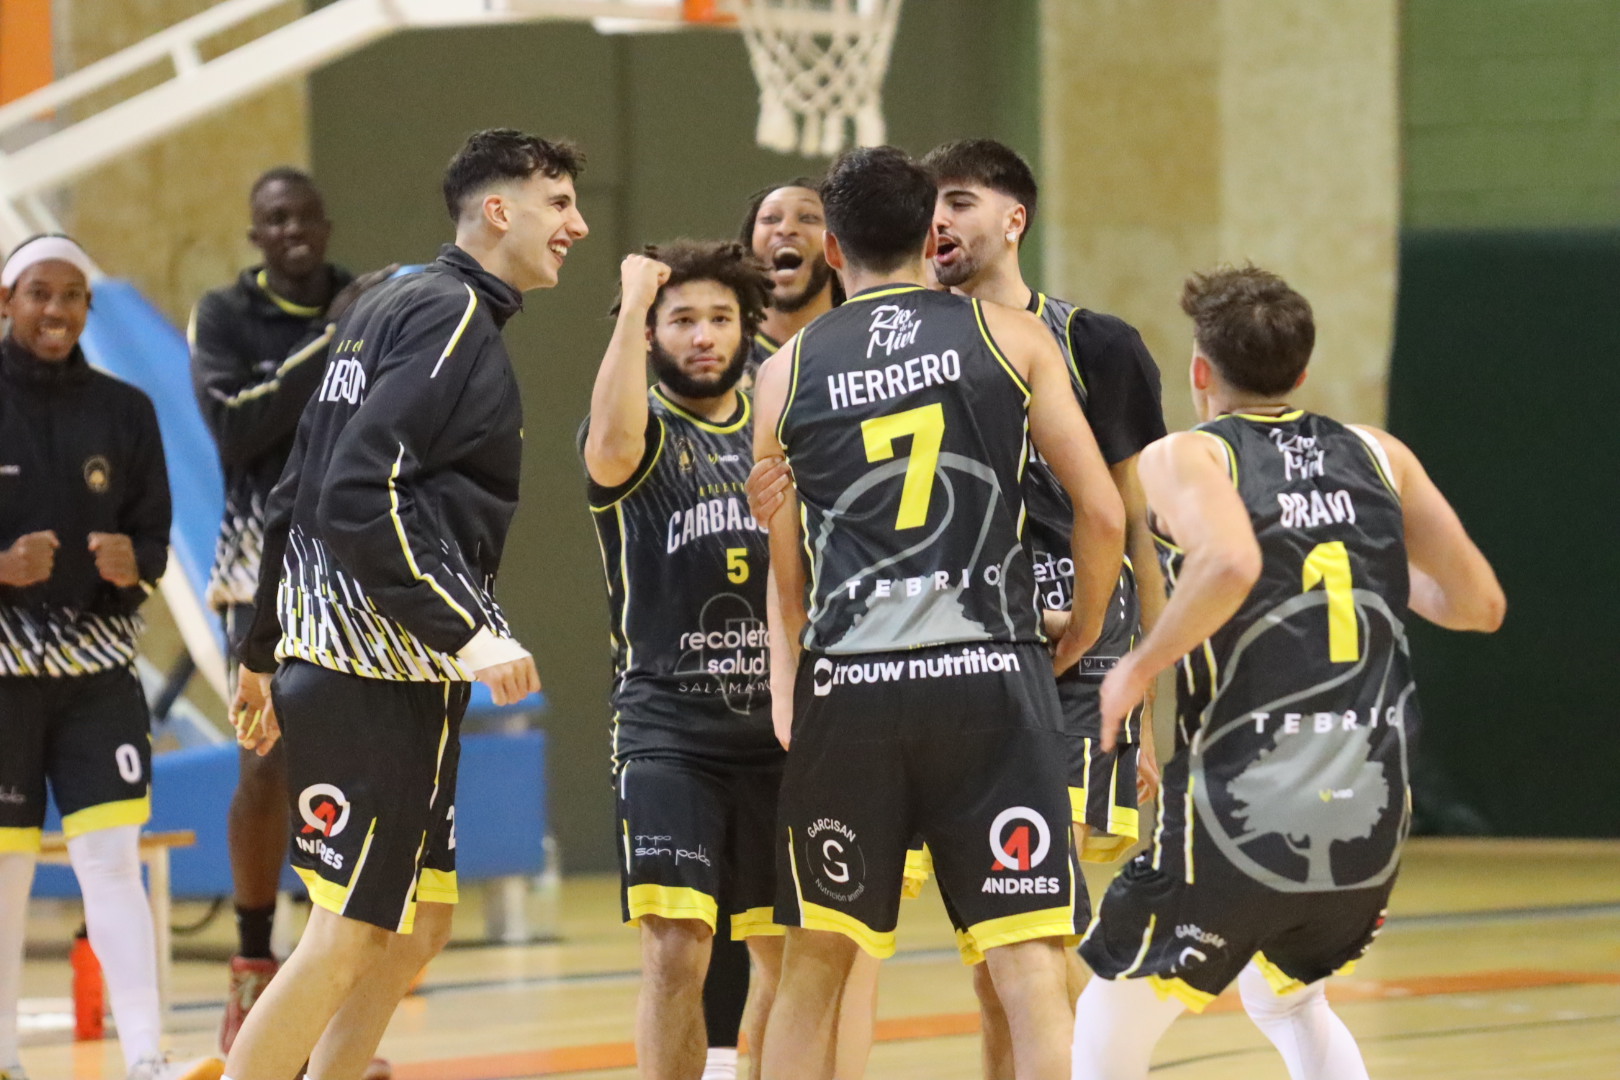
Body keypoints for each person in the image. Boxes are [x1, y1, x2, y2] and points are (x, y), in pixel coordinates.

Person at [1071, 265, 1506, 1080]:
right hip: (1372, 801)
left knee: (1110, 998)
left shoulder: (1187, 454)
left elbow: (1231, 560)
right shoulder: (1381, 455)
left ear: (1200, 371)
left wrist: (1138, 665)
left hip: (1247, 802)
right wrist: (1361, 570)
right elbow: (1478, 603)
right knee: (1290, 998)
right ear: (1303, 372)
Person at [751, 146, 1125, 1080]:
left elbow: (785, 563)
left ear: (833, 248)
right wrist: (1080, 628)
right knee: (1029, 962)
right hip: (990, 681)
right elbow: (1104, 511)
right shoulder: (1010, 336)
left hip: (852, 687)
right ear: (932, 233)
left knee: (815, 964)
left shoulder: (784, 371)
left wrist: (788, 685)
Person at [221, 128, 587, 1080]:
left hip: (375, 668)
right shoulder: (448, 315)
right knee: (342, 934)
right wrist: (468, 629)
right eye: (559, 203)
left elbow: (292, 490)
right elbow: (349, 490)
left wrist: (260, 651)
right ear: (498, 211)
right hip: (368, 672)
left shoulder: (391, 304)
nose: (577, 225)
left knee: (417, 922)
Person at [921, 137, 1167, 1076]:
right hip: (967, 655)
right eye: (930, 207)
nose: (940, 221)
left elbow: (1138, 526)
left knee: (1031, 923)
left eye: (961, 201)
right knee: (997, 954)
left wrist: (1145, 688)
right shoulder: (906, 344)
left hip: (1080, 657)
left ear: (1013, 219)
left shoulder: (1095, 343)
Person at [188, 165, 394, 1060]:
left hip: (349, 566)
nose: (294, 230)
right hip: (255, 569)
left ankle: (328, 977)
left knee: (341, 777)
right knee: (265, 768)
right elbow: (237, 428)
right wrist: (334, 342)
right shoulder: (226, 316)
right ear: (256, 234)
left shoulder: (369, 303)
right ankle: (251, 960)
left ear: (325, 220)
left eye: (306, 214)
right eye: (275, 218)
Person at [0, 235, 213, 1080]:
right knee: (8, 868)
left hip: (98, 679)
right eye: (39, 295)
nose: (56, 312)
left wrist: (137, 564)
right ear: (7, 300)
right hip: (4, 683)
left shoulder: (126, 410)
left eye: (73, 297)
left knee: (112, 862)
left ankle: (147, 1058)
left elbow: (156, 537)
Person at [582, 239, 780, 1080]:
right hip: (670, 731)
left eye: (721, 319)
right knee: (676, 953)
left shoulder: (778, 432)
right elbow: (609, 442)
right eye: (683, 320)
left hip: (778, 731)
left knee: (784, 954)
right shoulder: (641, 432)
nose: (703, 337)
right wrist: (632, 302)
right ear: (655, 335)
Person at [738, 179, 839, 379]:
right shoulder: (722, 354)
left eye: (808, 218)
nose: (786, 229)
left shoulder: (867, 349)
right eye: (770, 219)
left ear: (837, 245)